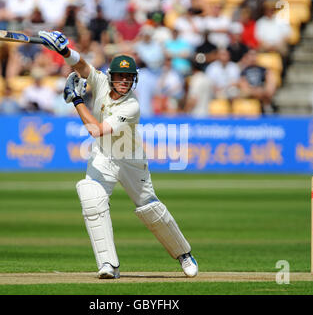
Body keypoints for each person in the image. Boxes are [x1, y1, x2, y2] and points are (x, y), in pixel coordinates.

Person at [39, 30, 198, 279]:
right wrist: (64, 50)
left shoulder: (131, 105)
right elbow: (81, 66)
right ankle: (108, 265)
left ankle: (184, 254)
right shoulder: (101, 81)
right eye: (120, 76)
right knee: (91, 197)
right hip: (103, 156)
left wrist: (77, 100)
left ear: (133, 80)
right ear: (111, 77)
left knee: (150, 210)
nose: (124, 81)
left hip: (130, 160)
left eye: (128, 77)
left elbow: (96, 130)